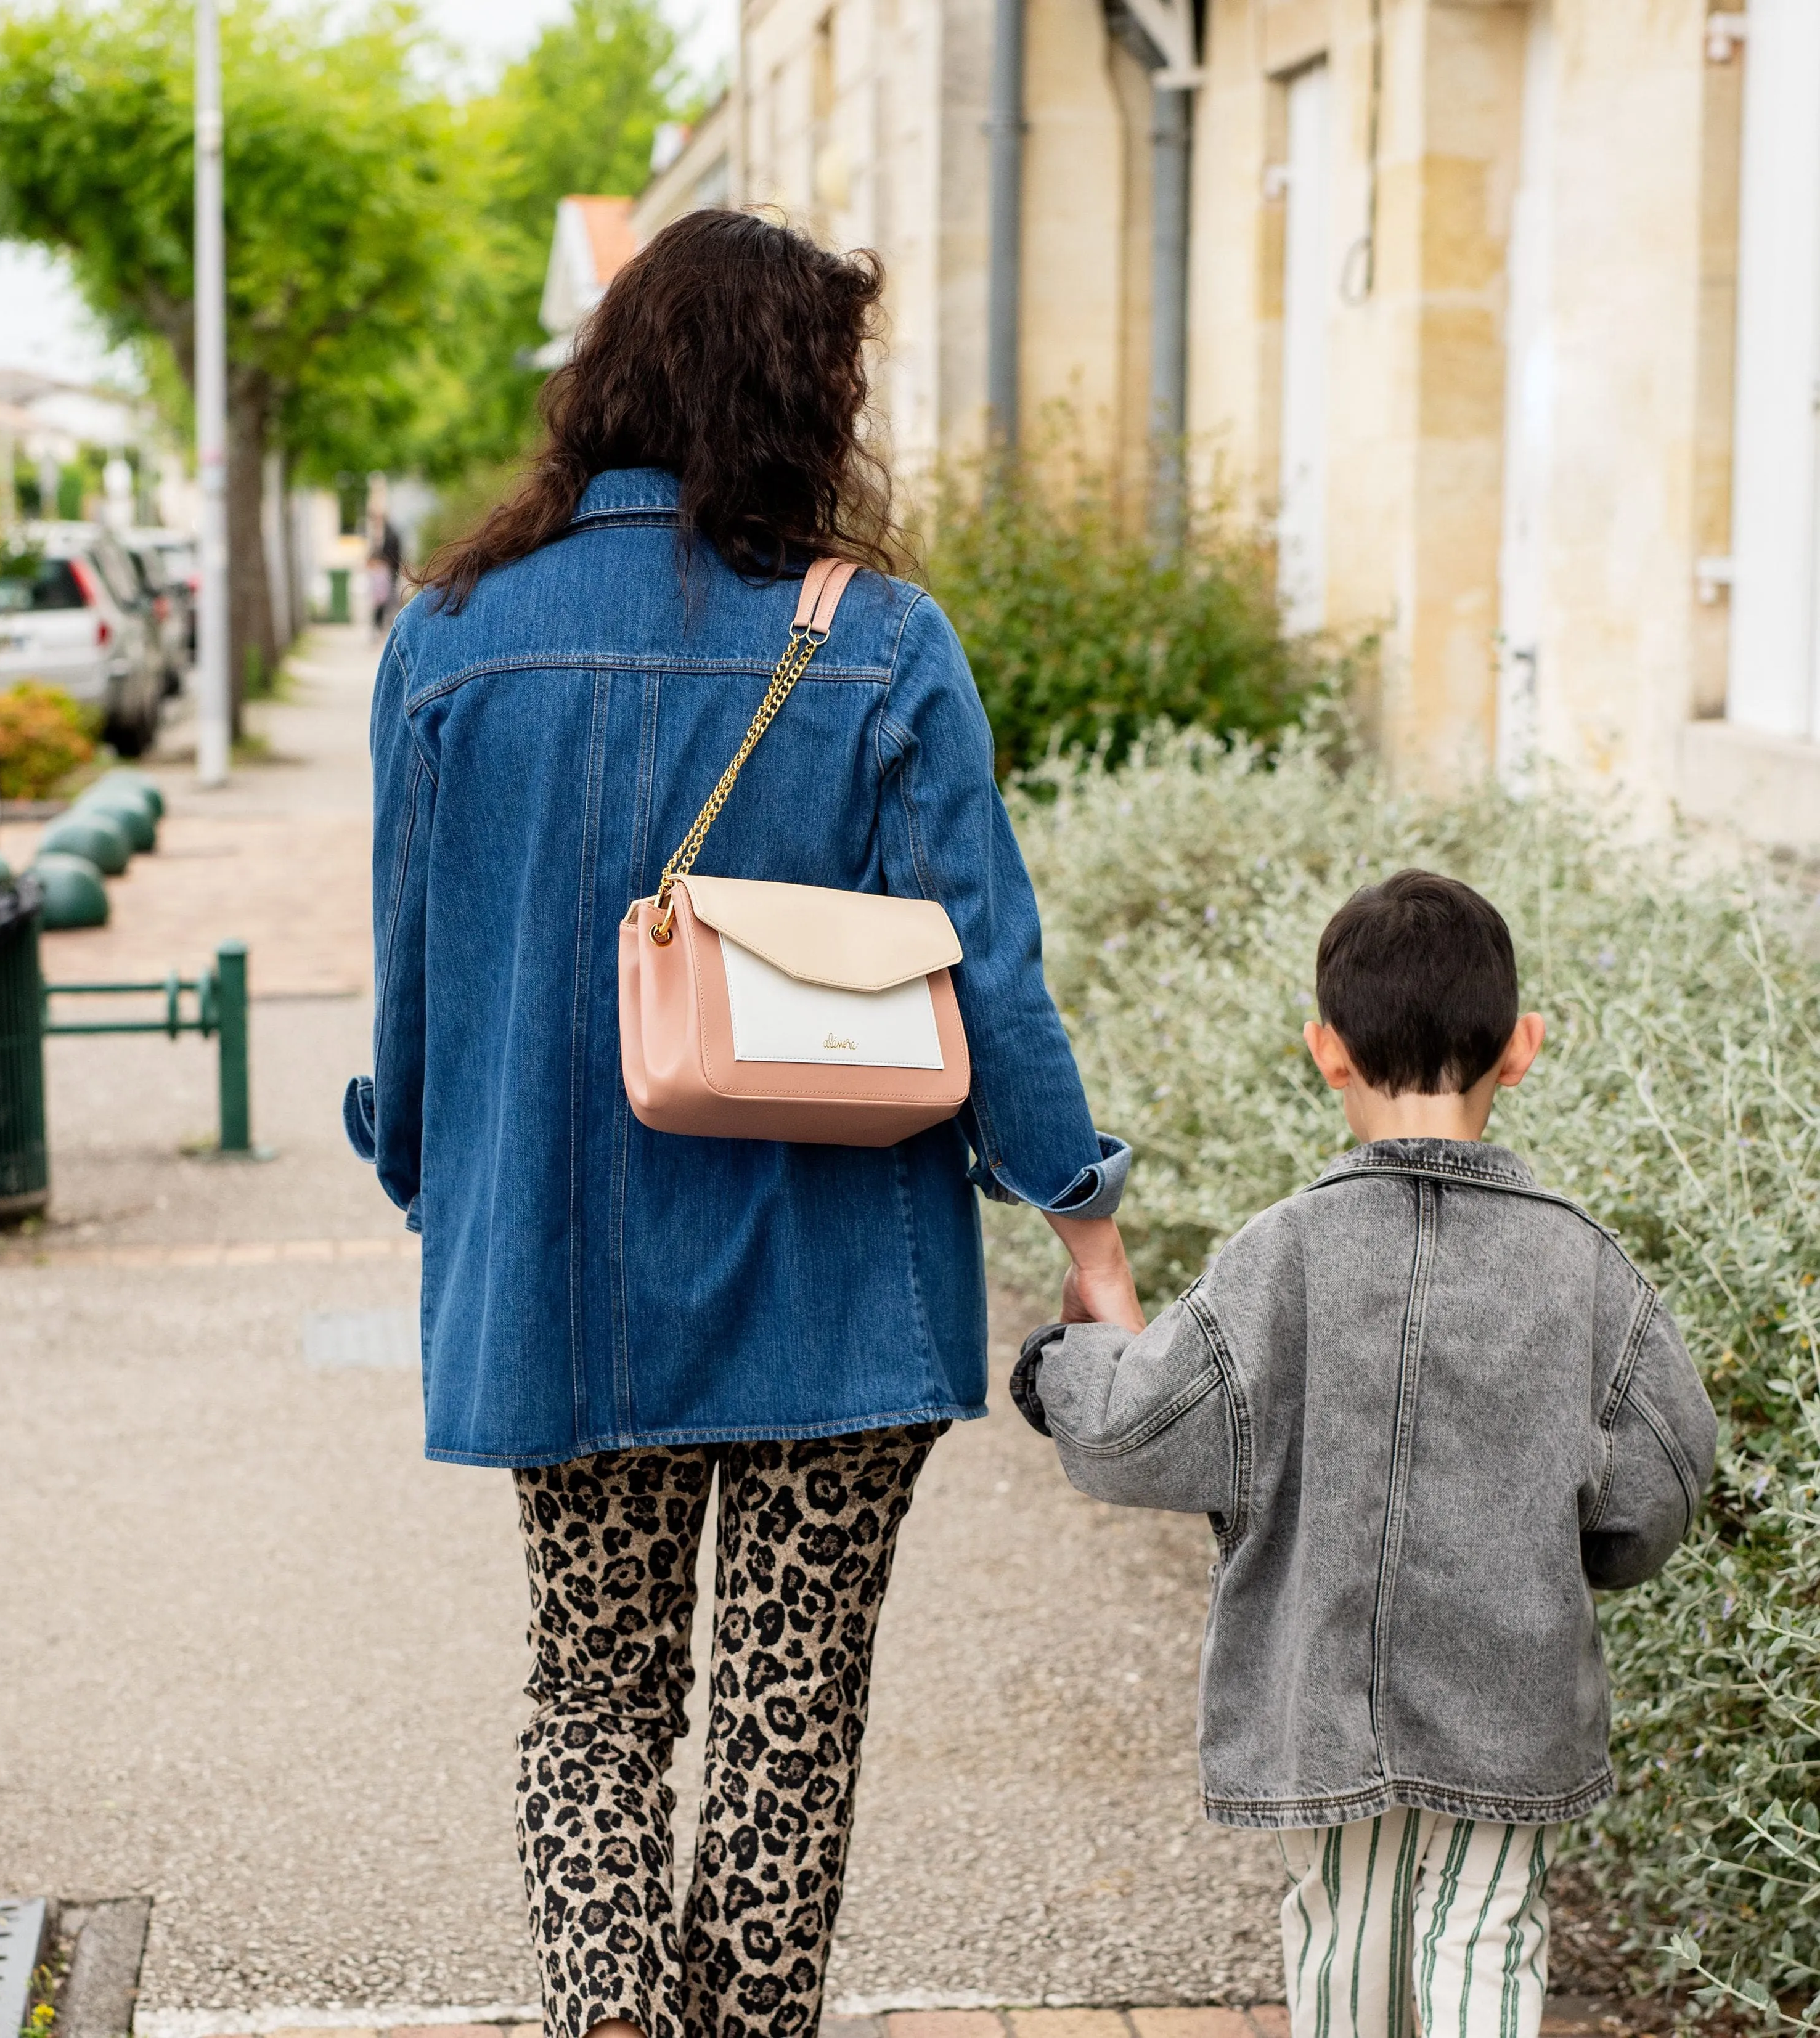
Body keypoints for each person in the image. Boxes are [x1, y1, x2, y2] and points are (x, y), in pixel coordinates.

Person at [343, 208, 1141, 2038]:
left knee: (595, 1692)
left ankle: (614, 2023)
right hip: (836, 1278)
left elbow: (415, 966)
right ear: (800, 398)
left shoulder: (450, 636)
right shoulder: (879, 640)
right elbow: (987, 968)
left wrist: (424, 1168)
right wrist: (1079, 1222)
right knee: (793, 1722)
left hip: (555, 1254)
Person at [1011, 868, 1718, 2038]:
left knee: (1340, 1924)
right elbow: (1661, 1473)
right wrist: (1582, 1550)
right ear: (1524, 1047)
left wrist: (1062, 1364)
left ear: (1324, 1051)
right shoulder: (1586, 1271)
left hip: (1318, 1682)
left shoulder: (1278, 1256)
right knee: (1484, 1931)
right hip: (1514, 1688)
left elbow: (1140, 1428)